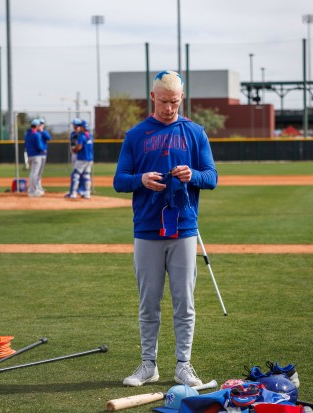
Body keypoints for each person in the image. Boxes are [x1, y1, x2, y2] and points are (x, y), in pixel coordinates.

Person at [113, 70, 218, 387]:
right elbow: (119, 180)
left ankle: (183, 365)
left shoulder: (195, 132)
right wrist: (140, 181)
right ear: (152, 98)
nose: (169, 108)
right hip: (146, 228)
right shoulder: (135, 135)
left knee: (184, 302)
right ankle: (148, 364)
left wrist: (192, 175)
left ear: (182, 99)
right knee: (149, 303)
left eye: (175, 101)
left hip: (184, 227)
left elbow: (211, 177)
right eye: (163, 101)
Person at [67, 119, 94, 199]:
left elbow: (77, 147)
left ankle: (73, 193)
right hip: (89, 158)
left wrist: (74, 150)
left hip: (81, 157)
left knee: (75, 175)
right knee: (86, 175)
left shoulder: (81, 135)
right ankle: (87, 193)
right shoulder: (90, 135)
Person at [24, 118, 45, 197]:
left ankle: (31, 190)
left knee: (32, 173)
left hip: (29, 155)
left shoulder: (27, 134)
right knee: (35, 174)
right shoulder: (36, 134)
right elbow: (39, 146)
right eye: (39, 125)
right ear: (36, 126)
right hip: (37, 156)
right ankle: (34, 191)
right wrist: (43, 150)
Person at [38, 118, 52, 193]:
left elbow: (49, 138)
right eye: (39, 124)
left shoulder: (44, 132)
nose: (40, 125)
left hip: (43, 154)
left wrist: (42, 131)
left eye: (41, 124)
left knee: (40, 172)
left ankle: (39, 186)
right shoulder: (35, 132)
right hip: (37, 154)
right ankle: (36, 187)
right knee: (36, 171)